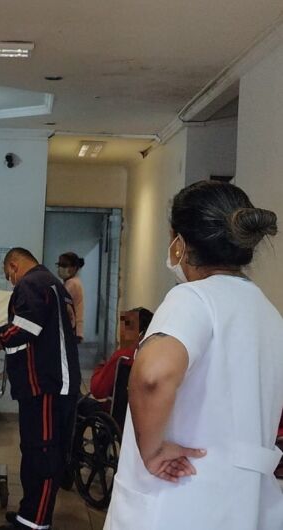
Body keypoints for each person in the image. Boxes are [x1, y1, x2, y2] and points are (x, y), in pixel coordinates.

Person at [104, 181, 283, 530]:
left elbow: (153, 376)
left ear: (179, 244)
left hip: (179, 498)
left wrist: (153, 452)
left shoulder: (193, 299)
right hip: (245, 504)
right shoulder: (268, 313)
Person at [0, 248, 81, 530]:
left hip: (47, 385)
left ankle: (36, 523)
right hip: (49, 384)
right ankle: (29, 513)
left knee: (44, 454)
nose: (10, 281)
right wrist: (4, 339)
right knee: (35, 451)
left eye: (7, 275)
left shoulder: (31, 284)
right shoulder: (53, 285)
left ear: (14, 265)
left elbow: (24, 328)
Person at [89, 307, 153, 400]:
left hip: (118, 408)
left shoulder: (123, 357)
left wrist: (100, 367)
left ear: (140, 334)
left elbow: (97, 390)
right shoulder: (155, 357)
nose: (121, 334)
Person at [57, 251, 85, 343]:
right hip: (73, 328)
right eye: (59, 265)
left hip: (72, 328)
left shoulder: (72, 283)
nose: (60, 268)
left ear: (74, 268)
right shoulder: (72, 282)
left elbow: (59, 302)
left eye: (64, 265)